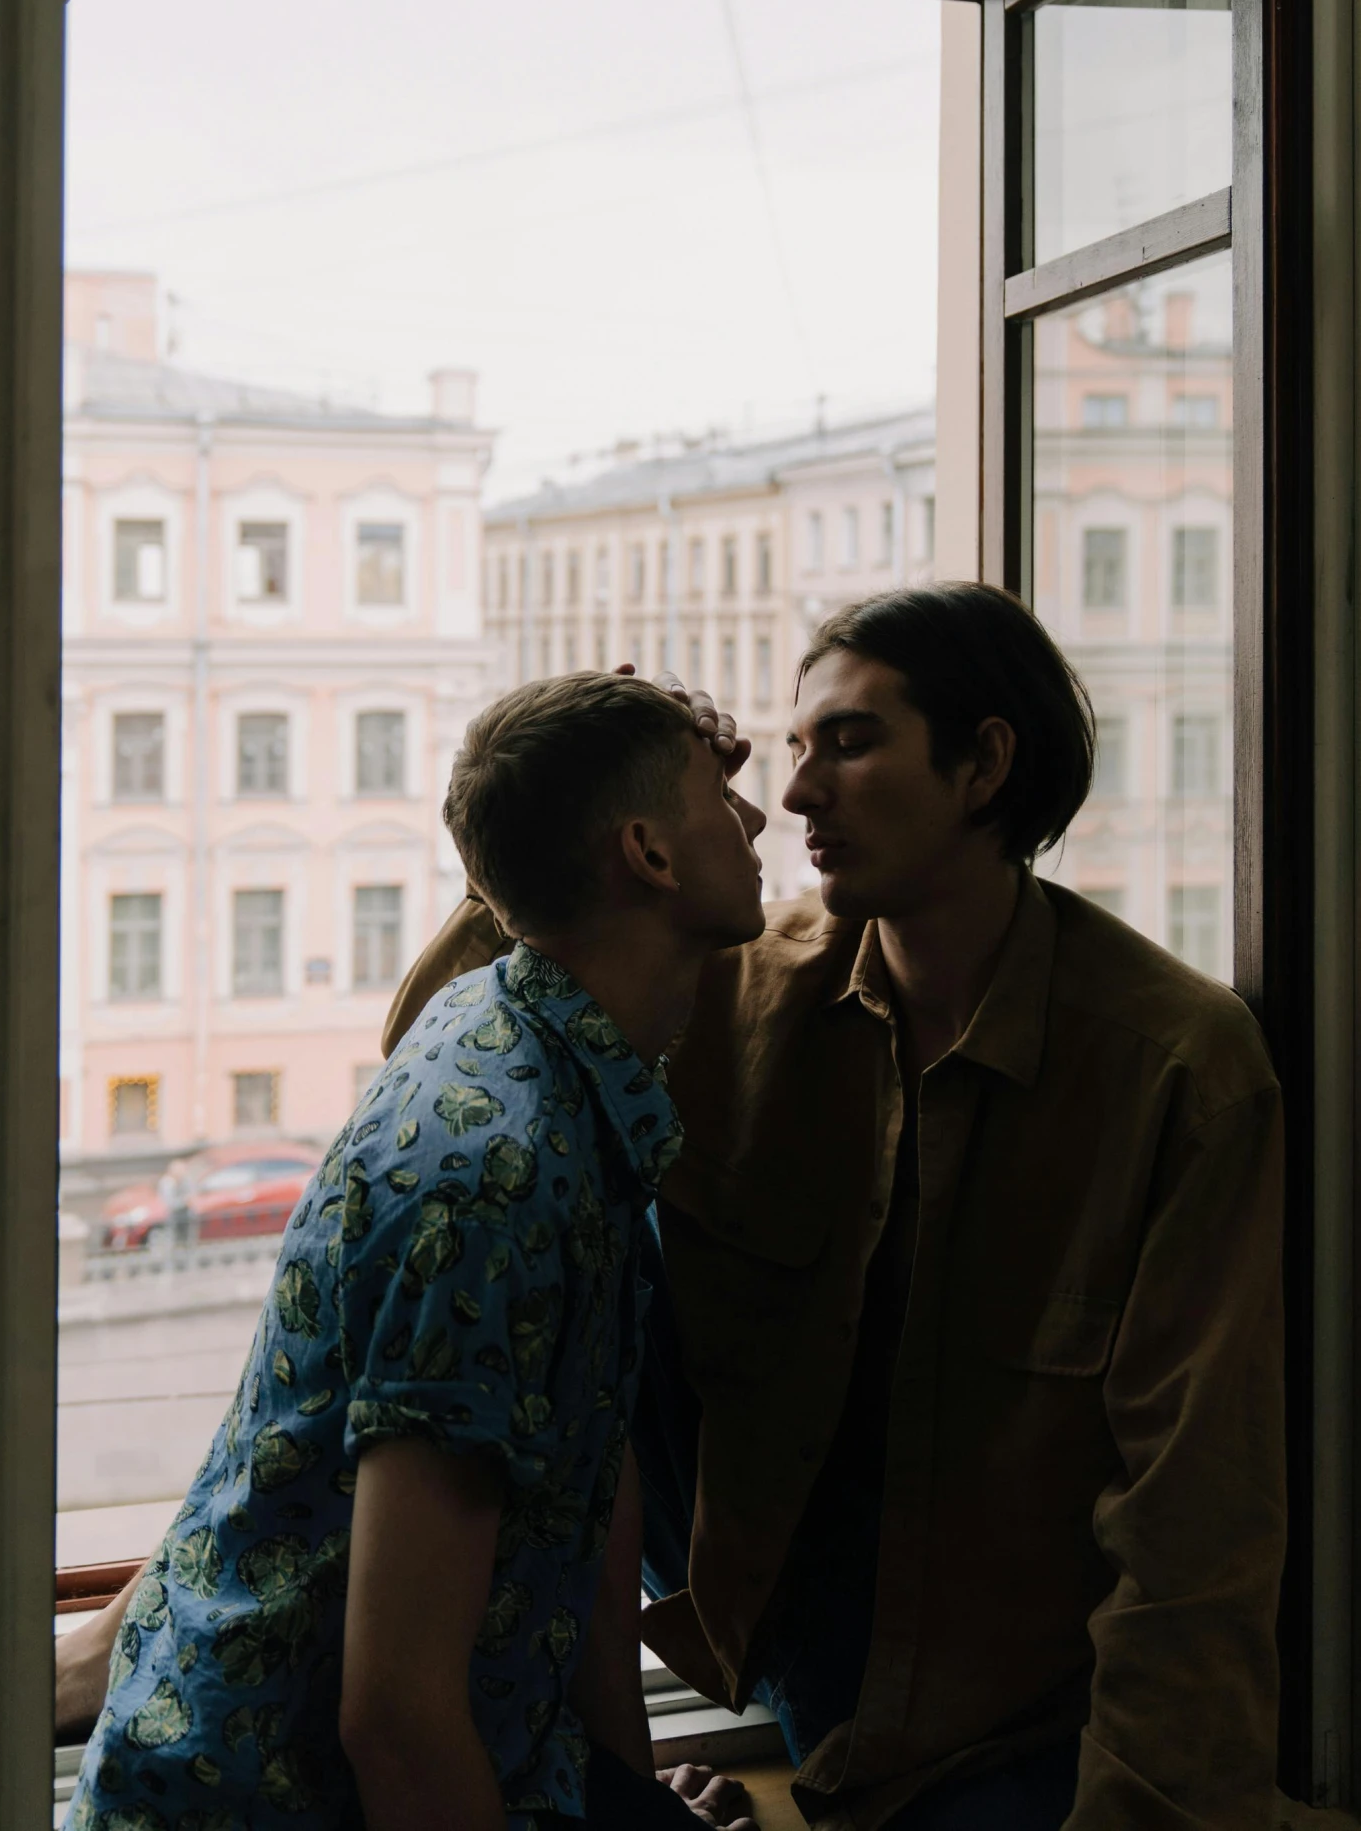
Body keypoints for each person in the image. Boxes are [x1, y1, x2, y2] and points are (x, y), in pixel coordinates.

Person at [385, 584, 1285, 1831]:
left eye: (848, 743)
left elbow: (1196, 1532)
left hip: (999, 1725)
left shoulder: (1176, 1070)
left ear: (984, 764)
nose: (797, 792)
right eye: (791, 748)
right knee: (517, 1238)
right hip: (762, 1634)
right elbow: (444, 1066)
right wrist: (597, 786)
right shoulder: (732, 975)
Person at [61, 670, 768, 1831]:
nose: (755, 818)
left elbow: (590, 1497)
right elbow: (394, 1718)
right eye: (717, 795)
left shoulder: (524, 1031)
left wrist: (626, 1803)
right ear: (645, 853)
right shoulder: (496, 1171)